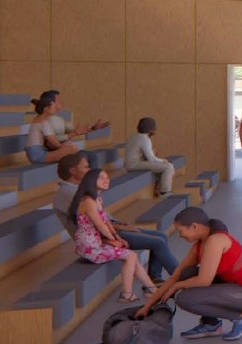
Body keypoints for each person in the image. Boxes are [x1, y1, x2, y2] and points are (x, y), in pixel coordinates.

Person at [140, 208, 242, 342]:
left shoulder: (215, 240)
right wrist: (147, 307)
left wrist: (177, 286)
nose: (180, 235)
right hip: (233, 287)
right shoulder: (199, 246)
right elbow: (175, 277)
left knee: (184, 299)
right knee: (186, 273)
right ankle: (211, 324)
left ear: (194, 226)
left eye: (181, 231)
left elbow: (204, 280)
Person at [52, 152, 179, 283]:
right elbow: (93, 224)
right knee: (157, 242)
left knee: (161, 236)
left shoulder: (79, 189)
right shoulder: (68, 194)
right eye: (85, 167)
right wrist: (117, 233)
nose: (89, 170)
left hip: (110, 229)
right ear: (73, 170)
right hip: (98, 238)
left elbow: (103, 218)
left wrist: (121, 226)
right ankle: (180, 276)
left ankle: (155, 277)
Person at [68, 167, 157, 304]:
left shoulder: (97, 199)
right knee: (131, 256)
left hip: (96, 242)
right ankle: (127, 294)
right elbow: (100, 225)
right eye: (101, 178)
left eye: (107, 177)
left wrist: (118, 238)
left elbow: (106, 221)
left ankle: (151, 289)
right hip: (89, 247)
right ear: (91, 181)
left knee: (132, 256)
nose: (106, 180)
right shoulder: (88, 201)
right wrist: (112, 240)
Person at [125, 117, 177, 197]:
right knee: (168, 167)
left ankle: (158, 189)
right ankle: (165, 193)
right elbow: (151, 158)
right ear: (150, 129)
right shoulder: (144, 138)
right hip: (135, 164)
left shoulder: (133, 136)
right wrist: (163, 161)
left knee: (163, 168)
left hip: (130, 164)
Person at [24, 95, 82, 164]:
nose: (56, 109)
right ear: (46, 109)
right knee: (73, 149)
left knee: (69, 150)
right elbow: (53, 141)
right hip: (37, 154)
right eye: (53, 107)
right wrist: (63, 148)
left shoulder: (38, 119)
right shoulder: (44, 122)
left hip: (33, 152)